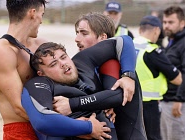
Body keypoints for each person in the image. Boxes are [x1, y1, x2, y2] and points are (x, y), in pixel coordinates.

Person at [0, 1, 109, 139]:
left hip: (56, 122)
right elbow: (19, 107)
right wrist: (73, 126)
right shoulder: (3, 52)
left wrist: (104, 103)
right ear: (32, 13)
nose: (42, 21)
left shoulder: (41, 45)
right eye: (41, 14)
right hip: (24, 129)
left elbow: (68, 78)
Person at [22, 36, 139, 140]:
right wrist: (88, 128)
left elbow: (123, 41)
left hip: (111, 131)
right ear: (41, 73)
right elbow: (42, 121)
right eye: (53, 64)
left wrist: (128, 75)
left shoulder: (82, 62)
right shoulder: (40, 84)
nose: (63, 64)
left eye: (63, 57)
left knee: (117, 65)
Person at [54, 12, 147, 140]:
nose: (77, 38)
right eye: (77, 33)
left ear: (103, 38)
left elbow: (114, 97)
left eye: (84, 33)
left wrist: (71, 104)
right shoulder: (86, 66)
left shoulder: (112, 63)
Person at [134, 15, 182, 140]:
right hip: (149, 105)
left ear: (140, 30)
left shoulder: (129, 46)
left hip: (130, 102)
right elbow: (177, 79)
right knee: (152, 137)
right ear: (156, 30)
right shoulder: (152, 51)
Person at [160, 6, 185, 140]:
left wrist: (179, 99)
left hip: (177, 104)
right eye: (164, 22)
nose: (166, 26)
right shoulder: (172, 41)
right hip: (166, 101)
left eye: (171, 22)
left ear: (182, 23)